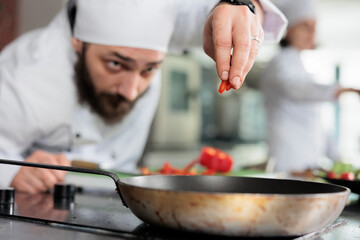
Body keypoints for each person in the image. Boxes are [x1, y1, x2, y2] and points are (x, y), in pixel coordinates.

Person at [0, 0, 287, 193]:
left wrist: (242, 6)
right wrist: (11, 174)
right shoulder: (24, 75)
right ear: (79, 42)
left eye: (149, 70)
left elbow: (232, 13)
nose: (130, 90)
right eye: (115, 64)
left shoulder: (160, 18)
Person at [259, 0, 360, 173]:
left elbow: (314, 120)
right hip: (288, 159)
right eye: (305, 26)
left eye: (314, 26)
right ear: (288, 30)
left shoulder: (300, 64)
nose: (313, 32)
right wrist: (345, 89)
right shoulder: (280, 62)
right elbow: (297, 89)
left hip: (308, 160)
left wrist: (336, 156)